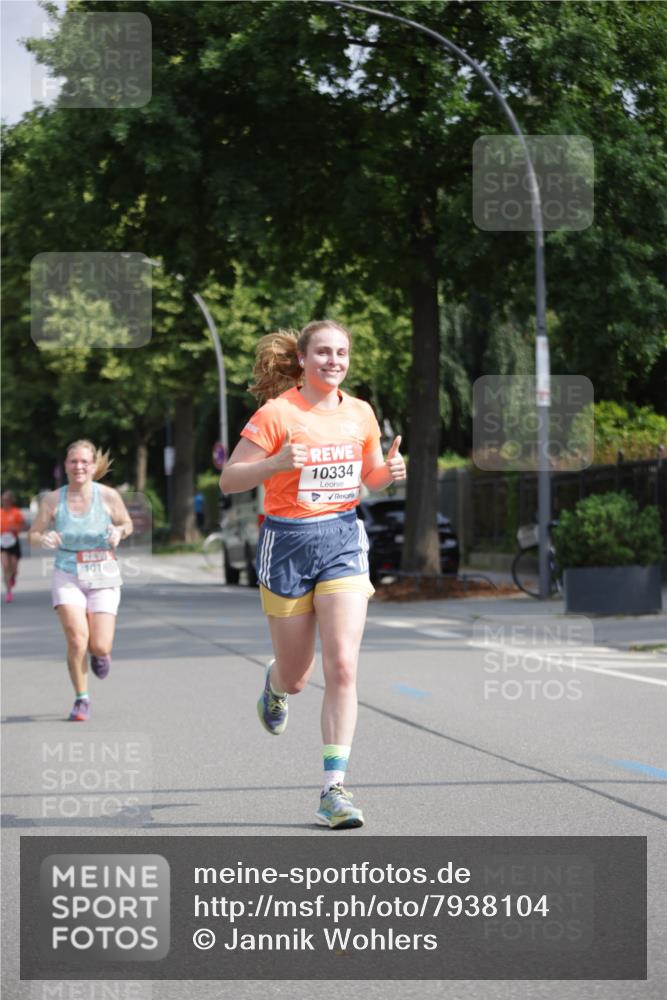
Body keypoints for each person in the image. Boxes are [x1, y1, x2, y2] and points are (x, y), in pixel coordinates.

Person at [220, 320, 406, 828]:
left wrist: (388, 473)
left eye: (341, 352)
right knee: (298, 675)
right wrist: (275, 462)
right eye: (323, 352)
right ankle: (275, 686)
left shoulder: (360, 412)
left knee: (342, 665)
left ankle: (333, 789)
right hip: (287, 544)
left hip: (342, 539)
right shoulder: (277, 413)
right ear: (302, 359)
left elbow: (369, 478)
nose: (333, 361)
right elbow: (230, 479)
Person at [28, 440, 133, 722]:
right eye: (73, 461)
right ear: (65, 465)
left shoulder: (108, 496)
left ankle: (101, 654)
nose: (79, 466)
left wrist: (118, 532)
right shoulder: (53, 500)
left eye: (84, 461)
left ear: (93, 465)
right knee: (77, 640)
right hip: (67, 573)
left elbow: (127, 524)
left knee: (99, 645)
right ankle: (81, 698)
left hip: (102, 572)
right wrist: (44, 538)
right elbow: (33, 535)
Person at [1, 491, 26, 603]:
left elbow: (24, 525)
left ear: (11, 500)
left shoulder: (16, 512)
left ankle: (13, 577)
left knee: (14, 568)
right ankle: (8, 591)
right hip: (2, 543)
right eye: (3, 499)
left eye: (7, 499)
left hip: (13, 542)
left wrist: (16, 528)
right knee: (5, 566)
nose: (5, 501)